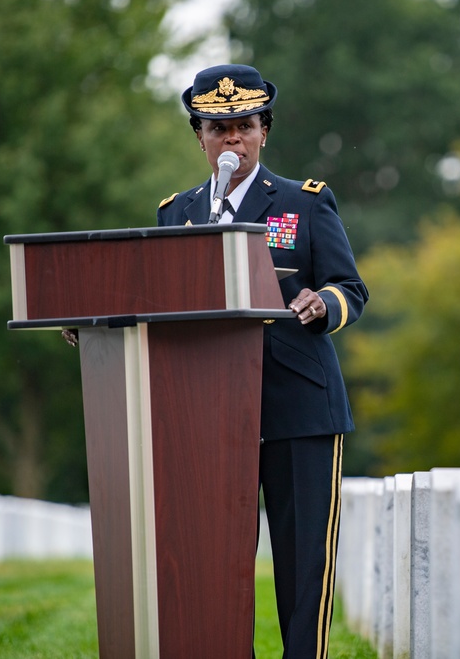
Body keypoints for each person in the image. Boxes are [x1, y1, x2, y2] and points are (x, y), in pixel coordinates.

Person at [157, 63, 368, 659]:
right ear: (198, 135)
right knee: (213, 560)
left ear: (264, 131)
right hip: (205, 412)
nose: (232, 139)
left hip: (299, 407)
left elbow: (350, 289)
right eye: (217, 128)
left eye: (244, 126)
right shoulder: (177, 214)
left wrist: (319, 303)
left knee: (303, 564)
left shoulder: (304, 204)